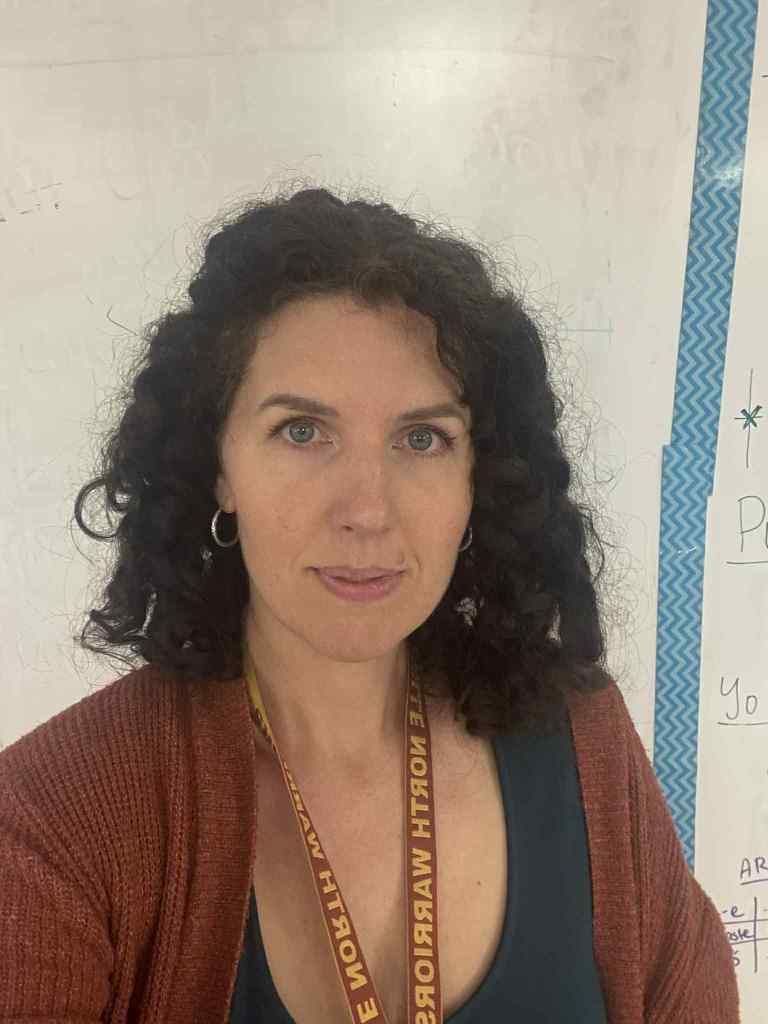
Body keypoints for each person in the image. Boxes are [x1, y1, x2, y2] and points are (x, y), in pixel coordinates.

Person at [0, 184, 739, 1022]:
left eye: (422, 438)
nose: (366, 510)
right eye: (302, 431)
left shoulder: (582, 740)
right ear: (218, 468)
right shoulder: (52, 825)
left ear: (479, 479)